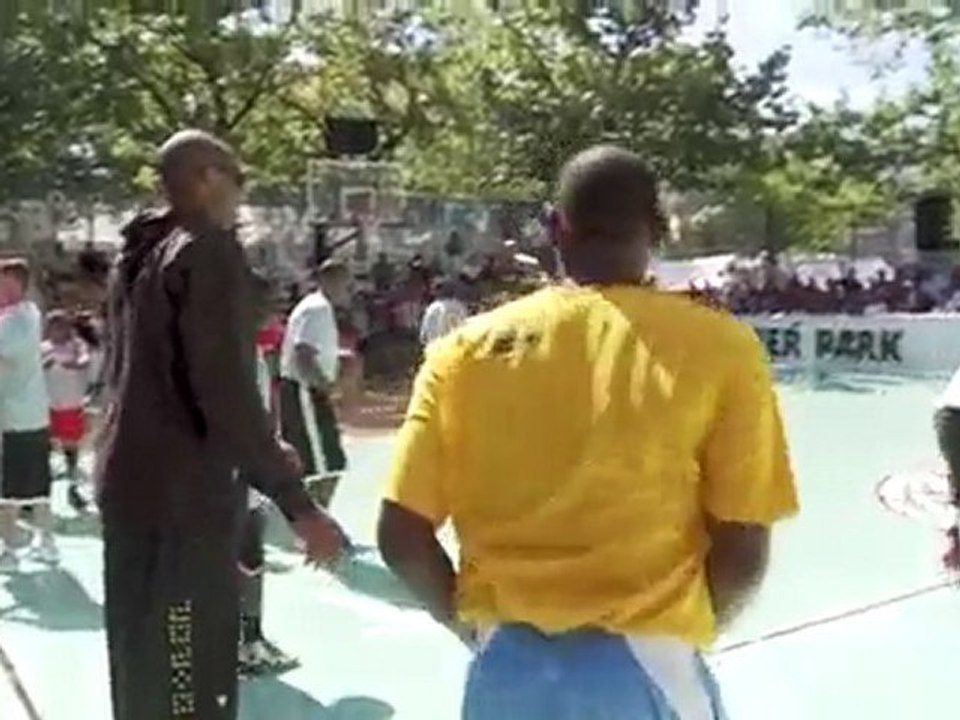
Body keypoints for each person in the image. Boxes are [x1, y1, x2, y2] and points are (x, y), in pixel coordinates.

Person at [378, 146, 799, 720]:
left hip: (504, 672)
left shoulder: (462, 352)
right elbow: (744, 551)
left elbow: (401, 535)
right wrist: (681, 632)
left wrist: (477, 631)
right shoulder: (722, 348)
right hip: (652, 664)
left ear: (556, 226)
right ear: (657, 229)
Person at [95, 129, 347, 720]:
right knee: (189, 680)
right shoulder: (207, 250)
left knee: (140, 670)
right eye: (238, 180)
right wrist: (298, 505)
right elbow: (223, 391)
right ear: (207, 177)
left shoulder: (134, 257)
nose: (241, 197)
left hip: (127, 482)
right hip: (183, 497)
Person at [278, 259, 351, 510]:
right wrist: (324, 386)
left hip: (305, 391)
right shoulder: (318, 309)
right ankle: (317, 523)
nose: (346, 289)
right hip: (305, 392)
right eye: (343, 282)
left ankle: (315, 522)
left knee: (322, 461)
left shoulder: (317, 308)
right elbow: (303, 353)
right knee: (324, 463)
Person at [0, 259, 57, 570]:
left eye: (4, 284)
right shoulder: (24, 315)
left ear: (17, 285)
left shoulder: (19, 319)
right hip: (24, 414)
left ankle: (10, 551)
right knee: (34, 486)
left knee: (11, 490)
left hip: (18, 418)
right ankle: (45, 542)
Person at [42, 310, 92, 512]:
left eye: (61, 325)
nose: (57, 330)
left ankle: (73, 488)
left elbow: (84, 360)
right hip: (48, 404)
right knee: (44, 449)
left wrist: (72, 364)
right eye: (53, 325)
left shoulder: (77, 346)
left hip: (71, 404)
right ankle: (39, 494)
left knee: (70, 450)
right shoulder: (43, 348)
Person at [419, 279, 469, 347]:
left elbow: (423, 337)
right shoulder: (460, 307)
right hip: (456, 348)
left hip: (435, 348)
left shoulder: (432, 308)